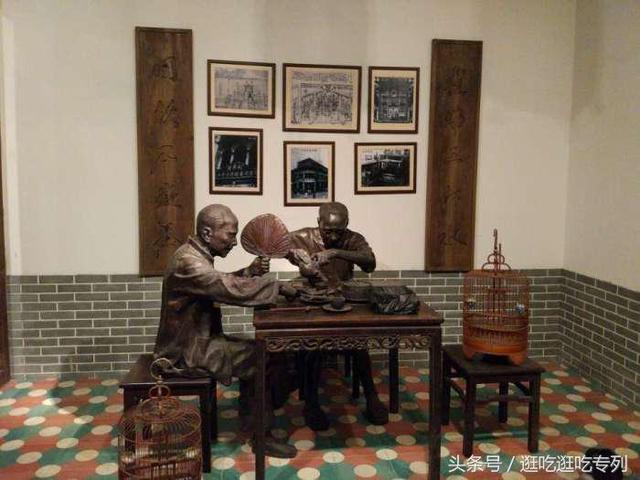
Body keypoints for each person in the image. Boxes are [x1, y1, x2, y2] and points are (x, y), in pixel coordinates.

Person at [153, 204, 298, 458]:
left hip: (197, 342)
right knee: (264, 356)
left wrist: (249, 273)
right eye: (230, 235)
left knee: (260, 351)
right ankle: (261, 436)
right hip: (185, 353)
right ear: (207, 233)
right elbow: (223, 286)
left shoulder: (193, 256)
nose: (234, 242)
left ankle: (251, 419)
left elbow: (215, 282)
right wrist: (276, 287)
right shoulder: (188, 262)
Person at [287, 202, 389, 430]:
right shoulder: (303, 236)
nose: (333, 236)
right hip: (314, 299)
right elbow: (276, 244)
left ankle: (371, 396)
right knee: (313, 346)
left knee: (359, 345)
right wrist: (295, 257)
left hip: (344, 299)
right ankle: (311, 403)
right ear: (318, 223)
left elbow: (370, 263)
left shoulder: (352, 238)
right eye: (328, 231)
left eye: (338, 231)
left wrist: (335, 253)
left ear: (346, 225)